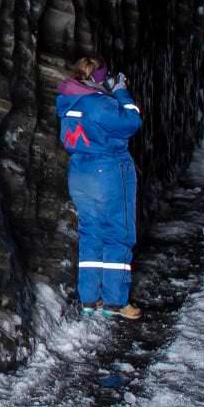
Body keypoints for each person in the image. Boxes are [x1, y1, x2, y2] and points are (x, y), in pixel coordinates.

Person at [57, 55, 143, 319]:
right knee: (118, 232)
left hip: (80, 171)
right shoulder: (100, 104)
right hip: (107, 171)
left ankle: (89, 299)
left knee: (91, 232)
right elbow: (131, 122)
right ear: (99, 77)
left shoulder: (68, 102)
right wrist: (121, 92)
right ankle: (116, 302)